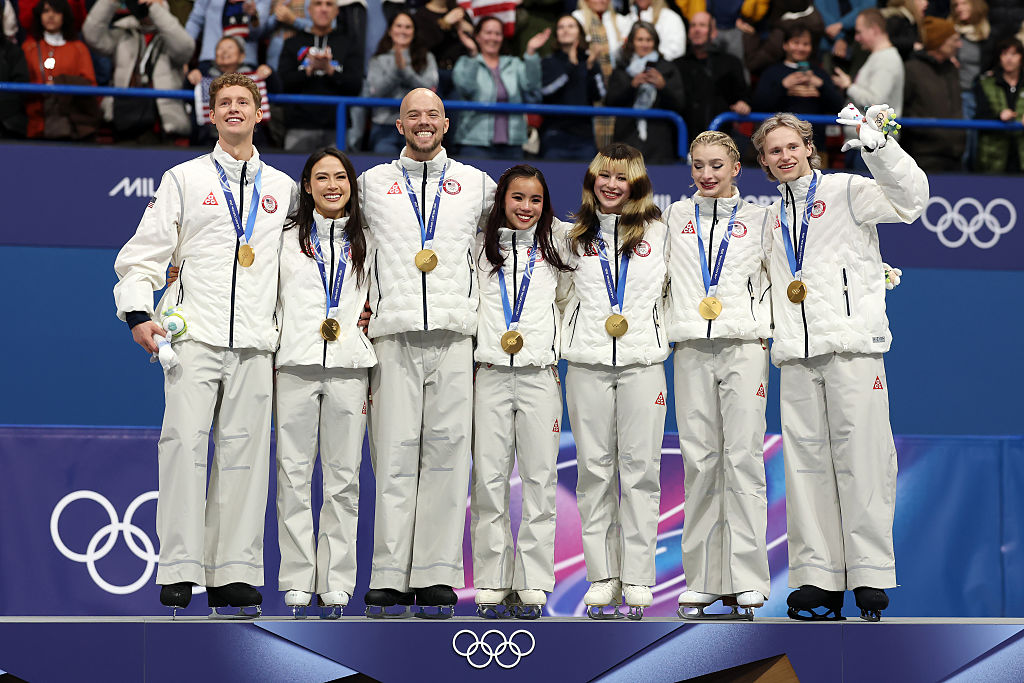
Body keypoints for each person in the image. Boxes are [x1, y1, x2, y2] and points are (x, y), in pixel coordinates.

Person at [113, 73, 297, 617]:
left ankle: (234, 573)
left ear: (259, 112)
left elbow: (297, 273)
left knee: (245, 458)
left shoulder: (284, 189)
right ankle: (179, 571)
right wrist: (137, 312)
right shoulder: (184, 179)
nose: (235, 109)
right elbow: (143, 254)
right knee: (183, 450)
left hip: (256, 344)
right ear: (210, 115)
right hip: (192, 336)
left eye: (245, 101)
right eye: (225, 103)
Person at [750, 108, 928, 622]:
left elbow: (912, 201)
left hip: (853, 348)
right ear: (762, 162)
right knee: (805, 468)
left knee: (865, 461)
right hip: (798, 356)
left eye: (791, 146)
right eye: (772, 151)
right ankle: (817, 578)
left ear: (809, 147)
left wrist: (879, 149)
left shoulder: (848, 191)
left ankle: (870, 573)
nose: (784, 157)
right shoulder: (769, 217)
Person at [357, 88, 496, 618]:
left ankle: (436, 575)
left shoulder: (476, 186)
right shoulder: (371, 185)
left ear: (446, 123)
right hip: (392, 335)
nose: (423, 122)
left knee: (446, 459)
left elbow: (527, 230)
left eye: (432, 115)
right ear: (398, 124)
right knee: (392, 457)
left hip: (455, 336)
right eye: (413, 114)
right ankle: (390, 576)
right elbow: (316, 234)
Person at [661, 130, 772, 621]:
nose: (706, 175)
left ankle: (748, 579)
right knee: (701, 461)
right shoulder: (673, 218)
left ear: (735, 169)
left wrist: (763, 326)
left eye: (716, 166)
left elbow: (776, 278)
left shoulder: (761, 220)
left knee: (743, 457)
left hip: (744, 347)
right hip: (690, 348)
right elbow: (655, 279)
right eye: (698, 166)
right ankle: (704, 580)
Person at [562, 143, 669, 621]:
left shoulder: (662, 233)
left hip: (644, 361)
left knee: (642, 472)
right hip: (586, 362)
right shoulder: (570, 237)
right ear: (591, 180)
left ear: (637, 183)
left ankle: (640, 577)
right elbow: (558, 297)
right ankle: (603, 578)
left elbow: (680, 290)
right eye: (603, 176)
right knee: (594, 473)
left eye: (621, 177)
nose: (611, 185)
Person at [274, 148, 375, 618]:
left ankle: (336, 582)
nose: (332, 185)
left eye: (340, 177)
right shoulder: (283, 238)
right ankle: (297, 579)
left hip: (350, 368)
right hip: (294, 364)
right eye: (322, 177)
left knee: (343, 481)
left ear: (352, 185)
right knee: (293, 476)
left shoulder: (368, 239)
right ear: (307, 186)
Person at [470, 165, 573, 620]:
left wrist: (554, 348)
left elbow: (570, 300)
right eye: (517, 198)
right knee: (489, 480)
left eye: (534, 200)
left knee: (539, 480)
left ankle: (533, 580)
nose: (525, 208)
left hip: (538, 376)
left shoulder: (560, 246)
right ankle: (492, 579)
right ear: (501, 201)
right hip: (490, 373)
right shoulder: (478, 247)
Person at [82, 0, 195, 141]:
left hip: (162, 122)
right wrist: (110, 2)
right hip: (124, 117)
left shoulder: (170, 38)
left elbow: (185, 49)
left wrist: (156, 8)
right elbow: (92, 35)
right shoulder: (123, 33)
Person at [452, 16, 547, 159]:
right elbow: (466, 89)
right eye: (488, 33)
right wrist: (473, 54)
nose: (493, 38)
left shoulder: (514, 63)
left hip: (512, 144)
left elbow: (532, 86)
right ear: (477, 36)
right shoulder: (466, 62)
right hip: (475, 142)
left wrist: (531, 53)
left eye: (497, 34)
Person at [279, 0, 364, 152]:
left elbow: (355, 86)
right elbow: (283, 83)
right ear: (309, 10)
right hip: (299, 126)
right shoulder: (292, 42)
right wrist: (309, 70)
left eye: (329, 4)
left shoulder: (349, 43)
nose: (323, 9)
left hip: (336, 128)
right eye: (318, 4)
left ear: (336, 11)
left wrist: (329, 70)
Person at [832, 9, 905, 169]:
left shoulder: (887, 59)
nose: (856, 38)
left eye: (859, 32)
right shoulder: (878, 57)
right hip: (864, 144)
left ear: (874, 30)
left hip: (873, 146)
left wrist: (849, 86)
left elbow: (876, 101)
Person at [751, 25, 844, 151]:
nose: (801, 48)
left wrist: (821, 85)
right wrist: (783, 86)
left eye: (805, 44)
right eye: (796, 43)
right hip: (779, 145)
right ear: (785, 45)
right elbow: (758, 105)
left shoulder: (820, 74)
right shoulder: (772, 72)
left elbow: (838, 106)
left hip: (815, 145)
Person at [605, 22, 685, 164]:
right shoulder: (622, 69)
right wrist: (632, 86)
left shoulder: (667, 68)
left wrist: (663, 87)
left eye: (649, 40)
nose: (644, 44)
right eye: (640, 40)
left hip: (659, 143)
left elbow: (680, 104)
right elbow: (610, 102)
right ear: (632, 42)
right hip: (627, 139)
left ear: (655, 42)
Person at [365, 11, 439, 155]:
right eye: (398, 26)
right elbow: (375, 92)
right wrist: (396, 71)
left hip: (420, 128)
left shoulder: (427, 57)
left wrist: (404, 70)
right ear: (390, 30)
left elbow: (429, 90)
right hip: (384, 127)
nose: (403, 31)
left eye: (408, 27)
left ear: (414, 31)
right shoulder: (378, 59)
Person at [21, 0, 97, 139]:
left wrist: (60, 83)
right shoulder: (28, 48)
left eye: (56, 11)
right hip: (35, 124)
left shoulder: (79, 49)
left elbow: (90, 85)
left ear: (65, 16)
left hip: (70, 125)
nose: (51, 16)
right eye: (46, 11)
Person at [673, 11, 749, 143]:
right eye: (693, 25)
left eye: (702, 25)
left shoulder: (730, 63)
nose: (697, 29)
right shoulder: (677, 65)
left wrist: (743, 103)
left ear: (713, 32)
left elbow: (743, 95)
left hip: (721, 138)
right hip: (684, 139)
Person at [187, 35, 275, 147]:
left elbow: (277, 90)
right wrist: (190, 78)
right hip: (207, 141)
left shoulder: (255, 74)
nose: (233, 108)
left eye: (229, 47)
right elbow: (186, 97)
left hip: (256, 142)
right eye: (220, 48)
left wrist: (270, 75)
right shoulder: (203, 74)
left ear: (242, 56)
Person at [902, 16, 965, 171]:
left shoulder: (951, 69)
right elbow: (903, 108)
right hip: (923, 156)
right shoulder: (911, 69)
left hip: (954, 155)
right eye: (954, 40)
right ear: (939, 41)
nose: (959, 44)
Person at [540, 14, 602, 160]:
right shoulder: (549, 61)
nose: (565, 30)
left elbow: (600, 94)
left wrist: (592, 67)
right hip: (555, 134)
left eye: (571, 26)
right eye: (561, 27)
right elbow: (546, 91)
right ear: (556, 34)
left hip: (585, 137)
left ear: (579, 33)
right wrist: (571, 66)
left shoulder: (589, 62)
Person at [974, 37, 1024, 173]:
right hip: (994, 155)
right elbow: (979, 115)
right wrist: (998, 115)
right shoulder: (985, 83)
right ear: (999, 57)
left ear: (1021, 57)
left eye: (1014, 54)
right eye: (1004, 54)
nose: (1009, 59)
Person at [184, 0, 273, 73]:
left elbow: (258, 34)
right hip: (210, 60)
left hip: (245, 63)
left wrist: (253, 16)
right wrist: (184, 56)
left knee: (242, 94)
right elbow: (195, 21)